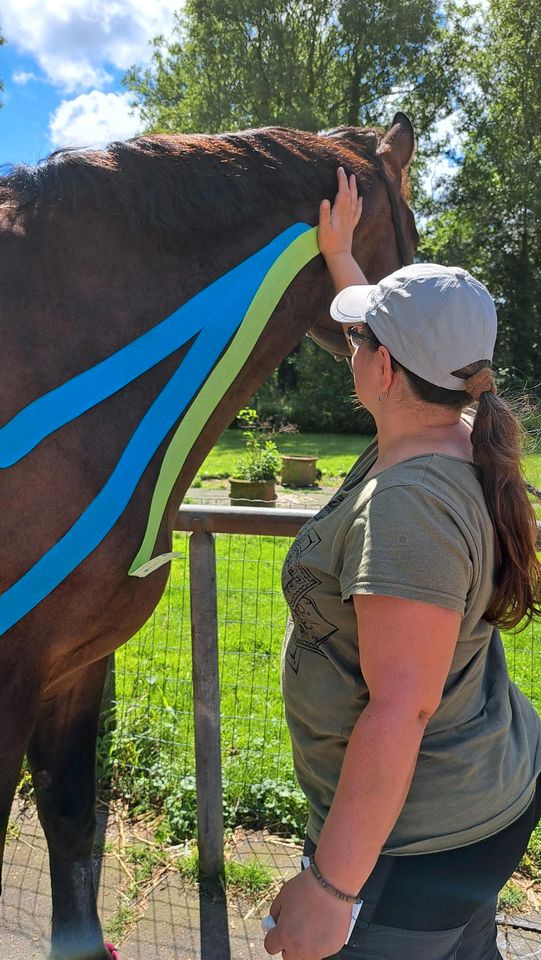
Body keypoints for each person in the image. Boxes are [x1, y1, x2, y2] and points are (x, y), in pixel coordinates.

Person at [263, 167, 541, 960]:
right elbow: (397, 338)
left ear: (382, 371)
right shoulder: (458, 437)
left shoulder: (407, 504)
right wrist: (340, 255)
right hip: (477, 802)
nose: (347, 346)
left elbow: (400, 711)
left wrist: (329, 890)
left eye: (357, 340)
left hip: (414, 847)